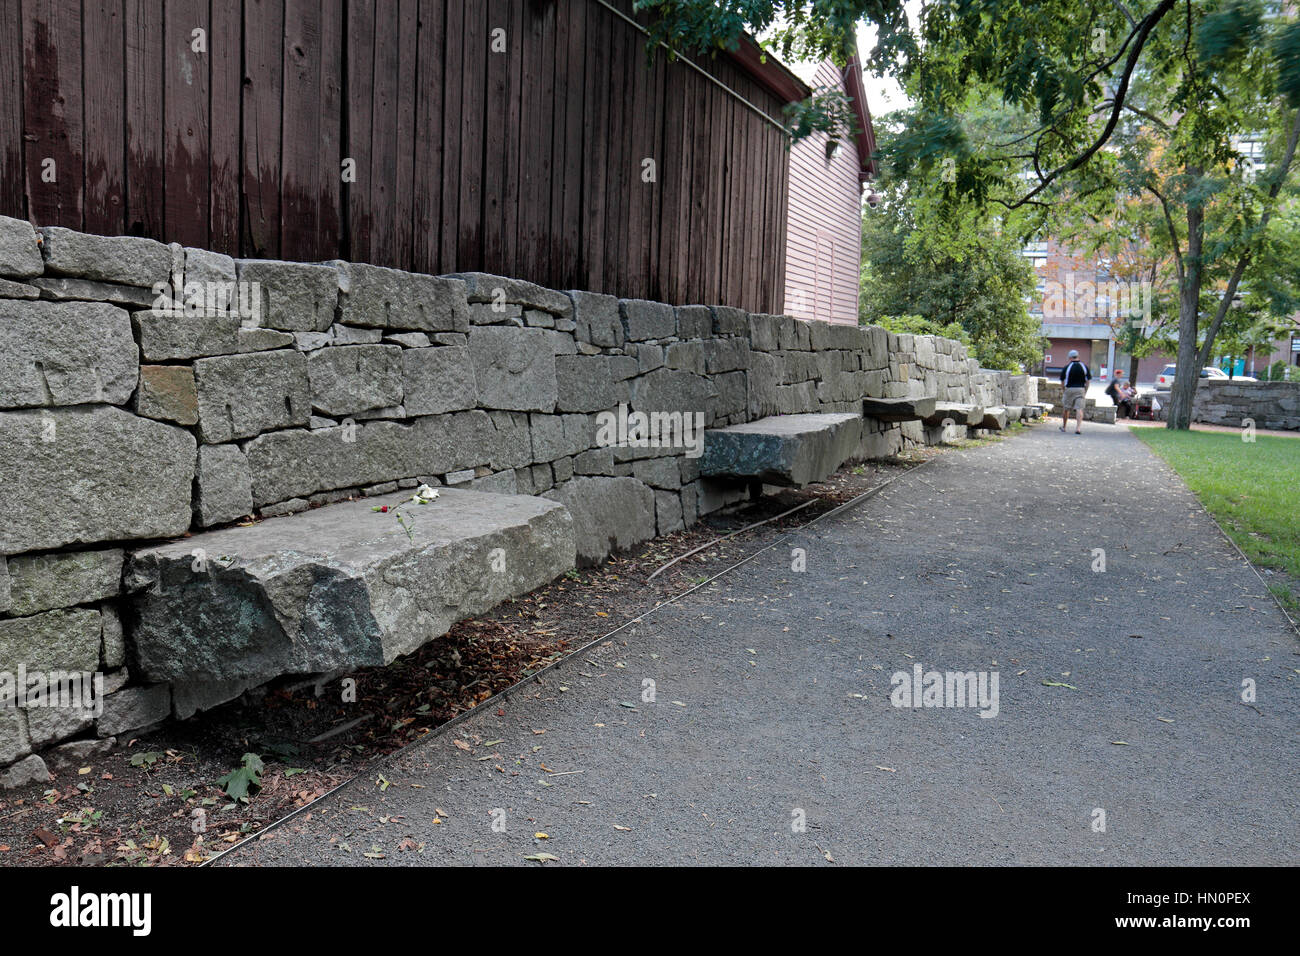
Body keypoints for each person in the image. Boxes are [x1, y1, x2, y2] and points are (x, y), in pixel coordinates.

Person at [1059, 349, 1091, 433]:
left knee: (1066, 408)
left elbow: (1062, 381)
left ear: (1069, 358)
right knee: (1079, 409)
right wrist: (1085, 390)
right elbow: (1088, 380)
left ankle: (1064, 426)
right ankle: (1078, 428)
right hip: (1080, 389)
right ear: (1078, 356)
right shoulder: (1084, 367)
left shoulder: (1067, 367)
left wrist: (1064, 390)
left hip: (1069, 389)